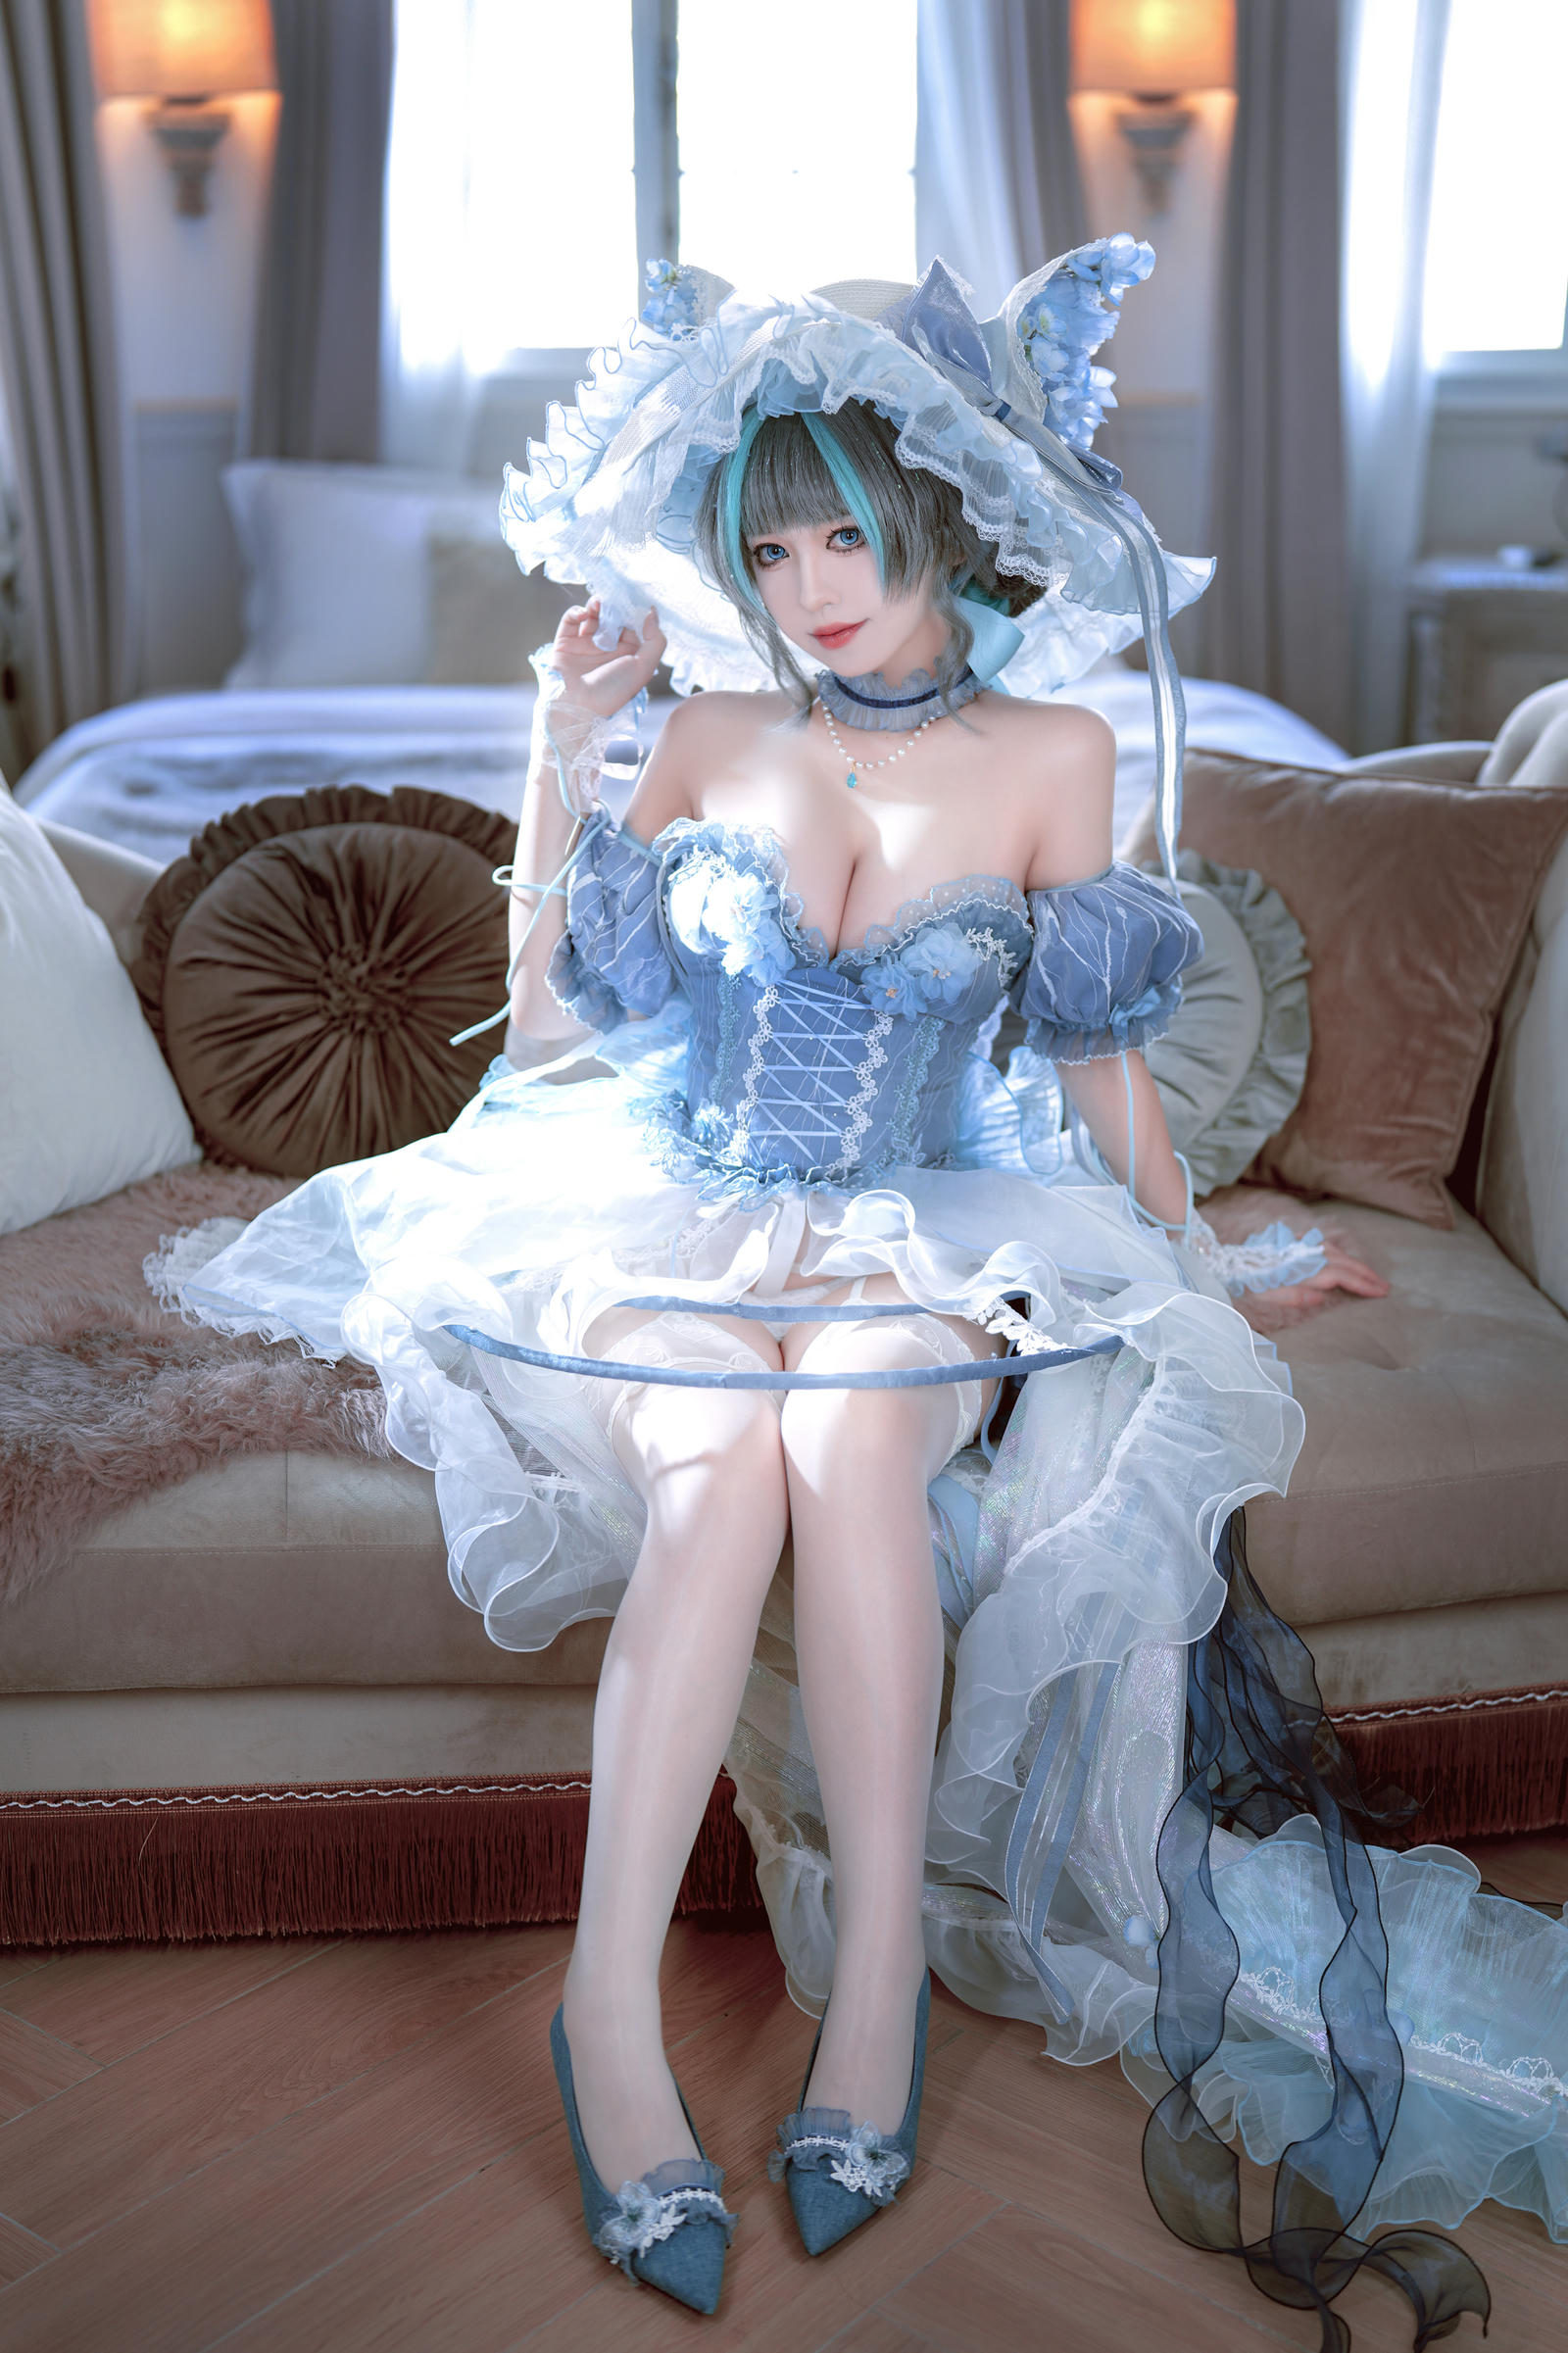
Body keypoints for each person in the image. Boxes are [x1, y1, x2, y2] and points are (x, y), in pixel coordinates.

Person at [158, 250, 1560, 2342]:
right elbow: (546, 1033)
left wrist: (1202, 1256)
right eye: (767, 545)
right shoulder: (709, 727)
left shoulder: (1054, 752)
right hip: (667, 1208)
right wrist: (558, 745)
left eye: (842, 537)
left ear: (940, 523)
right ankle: (604, 2014)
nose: (804, 586)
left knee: (843, 1439)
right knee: (718, 1475)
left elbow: (1096, 1076)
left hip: (927, 1226)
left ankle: (876, 1986)